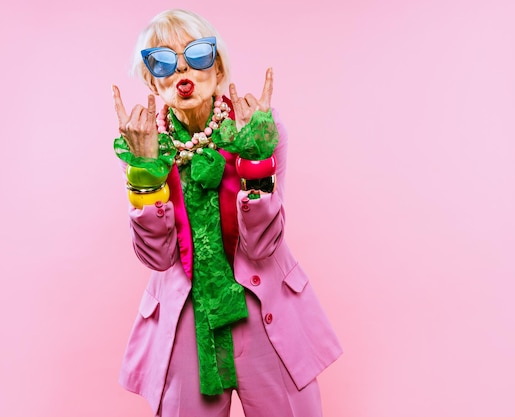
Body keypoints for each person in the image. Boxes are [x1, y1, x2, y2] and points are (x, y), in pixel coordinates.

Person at [111, 9, 342, 417]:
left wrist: (254, 161)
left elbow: (264, 244)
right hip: (186, 316)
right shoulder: (147, 146)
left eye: (197, 55)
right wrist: (146, 170)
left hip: (265, 310)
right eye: (163, 60)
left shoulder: (259, 130)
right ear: (152, 80)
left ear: (217, 68)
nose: (183, 69)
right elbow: (158, 258)